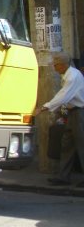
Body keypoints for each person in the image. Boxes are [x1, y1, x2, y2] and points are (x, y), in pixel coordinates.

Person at [35, 52, 84, 186]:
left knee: (81, 145)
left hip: (79, 113)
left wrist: (44, 107)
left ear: (62, 65)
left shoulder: (72, 76)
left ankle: (65, 176)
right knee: (67, 145)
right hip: (72, 112)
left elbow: (63, 96)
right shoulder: (68, 75)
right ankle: (64, 177)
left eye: (56, 65)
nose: (54, 68)